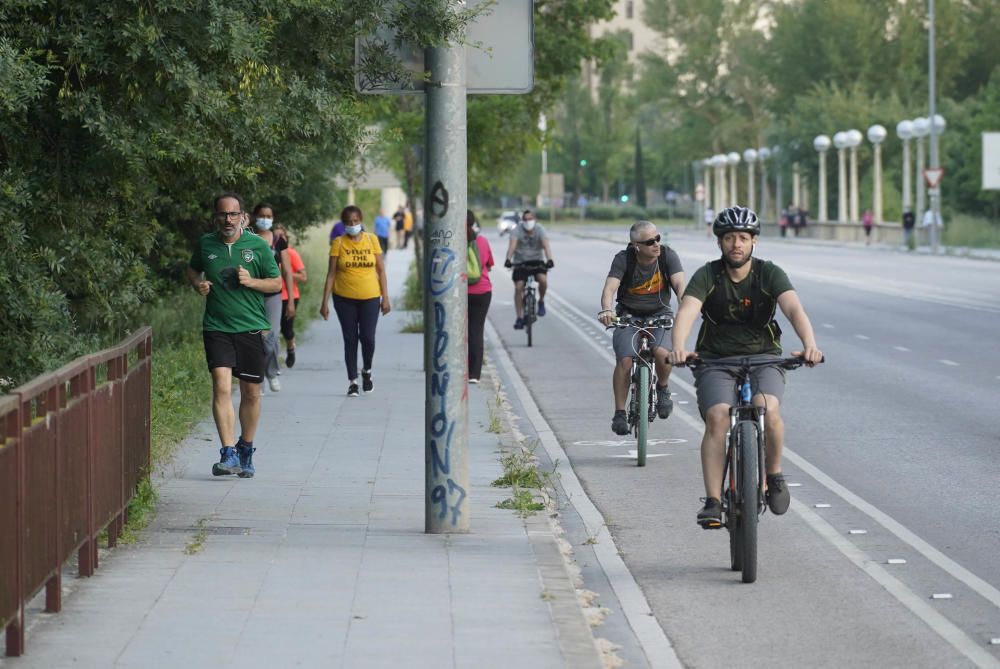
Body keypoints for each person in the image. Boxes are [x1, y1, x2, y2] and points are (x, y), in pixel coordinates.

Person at [668, 206, 823, 529]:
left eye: (743, 238)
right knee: (717, 416)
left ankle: (774, 474)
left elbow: (793, 308)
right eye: (729, 238)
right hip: (716, 361)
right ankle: (712, 501)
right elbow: (687, 310)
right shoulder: (708, 275)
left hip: (765, 357)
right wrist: (679, 347)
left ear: (754, 242)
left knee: (768, 408)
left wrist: (809, 343)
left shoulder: (769, 273)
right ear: (720, 243)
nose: (736, 244)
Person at [187, 192, 282, 478]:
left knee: (251, 393)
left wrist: (251, 281)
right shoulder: (206, 244)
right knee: (222, 387)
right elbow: (192, 270)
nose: (228, 219)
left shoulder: (258, 246)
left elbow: (276, 283)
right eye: (222, 214)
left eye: (233, 214)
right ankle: (227, 452)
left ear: (243, 217)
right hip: (217, 327)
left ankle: (246, 449)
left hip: (250, 327)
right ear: (215, 217)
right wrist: (198, 284)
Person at [597, 221, 686, 435]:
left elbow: (681, 285)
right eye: (649, 242)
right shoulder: (624, 259)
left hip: (660, 314)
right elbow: (609, 288)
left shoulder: (667, 256)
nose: (656, 244)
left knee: (663, 353)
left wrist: (685, 307)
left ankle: (663, 387)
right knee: (625, 360)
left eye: (658, 239)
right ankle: (619, 412)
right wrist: (607, 310)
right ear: (636, 245)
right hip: (629, 315)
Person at [320, 205, 391, 396]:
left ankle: (367, 370)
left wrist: (386, 298)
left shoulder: (372, 240)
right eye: (349, 222)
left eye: (356, 221)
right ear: (344, 224)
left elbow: (381, 270)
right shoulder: (339, 243)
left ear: (361, 221)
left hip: (370, 297)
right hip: (344, 299)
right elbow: (331, 274)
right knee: (350, 339)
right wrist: (324, 302)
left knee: (368, 338)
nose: (353, 225)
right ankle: (352, 381)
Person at [252, 203, 296, 391]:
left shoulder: (278, 240)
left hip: (274, 295)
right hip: (251, 294)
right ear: (255, 216)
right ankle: (258, 380)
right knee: (254, 338)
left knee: (270, 337)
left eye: (269, 215)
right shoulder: (248, 238)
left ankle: (271, 372)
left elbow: (287, 271)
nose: (265, 219)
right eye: (261, 215)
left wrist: (291, 300)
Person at [503, 210, 554, 329]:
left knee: (543, 280)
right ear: (522, 220)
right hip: (520, 261)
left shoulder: (540, 229)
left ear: (535, 219)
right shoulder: (517, 230)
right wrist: (508, 259)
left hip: (537, 260)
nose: (527, 222)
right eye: (525, 219)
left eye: (530, 219)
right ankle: (519, 317)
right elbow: (512, 246)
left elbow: (546, 246)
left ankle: (541, 301)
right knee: (519, 287)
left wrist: (550, 259)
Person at [467, 210, 494, 384]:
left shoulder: (453, 241)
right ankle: (474, 374)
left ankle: (459, 366)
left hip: (460, 293)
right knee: (476, 331)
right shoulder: (482, 241)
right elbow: (489, 266)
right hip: (483, 292)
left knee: (460, 331)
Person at [274, 223, 306, 368]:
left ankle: (290, 349)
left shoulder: (291, 253)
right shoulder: (268, 251)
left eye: (282, 236)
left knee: (286, 329)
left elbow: (303, 276)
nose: (279, 238)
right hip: (271, 296)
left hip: (289, 296)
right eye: (276, 235)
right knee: (272, 332)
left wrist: (286, 272)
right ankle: (272, 362)